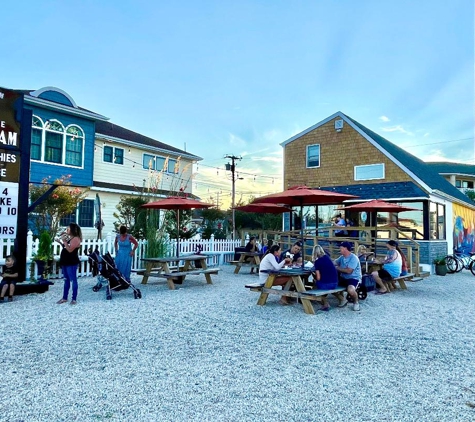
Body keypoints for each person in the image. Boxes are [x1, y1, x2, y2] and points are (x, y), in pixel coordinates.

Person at [55, 223, 82, 305]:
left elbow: (70, 250)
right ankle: (64, 297)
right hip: (65, 261)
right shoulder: (71, 238)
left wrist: (64, 241)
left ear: (72, 230)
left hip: (71, 262)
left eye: (68, 229)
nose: (67, 230)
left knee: (73, 280)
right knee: (66, 280)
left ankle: (74, 299)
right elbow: (66, 247)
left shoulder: (76, 239)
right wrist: (61, 242)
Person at [333, 241, 362, 311]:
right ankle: (343, 299)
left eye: (341, 247)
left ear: (345, 248)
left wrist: (336, 268)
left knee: (351, 290)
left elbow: (349, 271)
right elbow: (334, 262)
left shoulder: (354, 258)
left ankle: (356, 302)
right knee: (330, 286)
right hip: (343, 278)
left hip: (353, 278)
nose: (339, 249)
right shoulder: (342, 257)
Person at [311, 245, 340, 311]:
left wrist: (314, 274)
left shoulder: (317, 262)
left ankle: (325, 303)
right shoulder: (327, 258)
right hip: (335, 283)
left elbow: (318, 278)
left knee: (315, 284)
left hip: (327, 285)